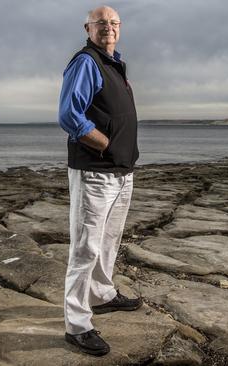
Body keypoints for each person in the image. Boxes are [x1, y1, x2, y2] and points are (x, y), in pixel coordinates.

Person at [58, 5, 143, 357]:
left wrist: (121, 153)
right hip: (94, 171)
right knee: (85, 247)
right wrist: (105, 144)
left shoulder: (114, 63)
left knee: (109, 241)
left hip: (121, 172)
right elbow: (69, 114)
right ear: (87, 28)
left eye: (113, 22)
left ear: (119, 28)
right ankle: (77, 324)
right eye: (100, 23)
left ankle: (103, 294)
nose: (107, 27)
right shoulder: (87, 62)